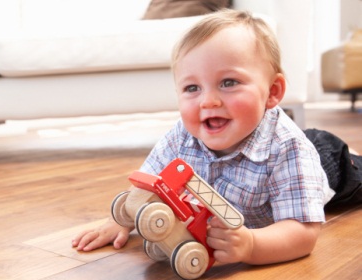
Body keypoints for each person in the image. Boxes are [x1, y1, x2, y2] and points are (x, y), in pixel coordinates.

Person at [72, 9, 362, 265]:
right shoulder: (182, 134)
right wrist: (121, 218)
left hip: (328, 160)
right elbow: (149, 184)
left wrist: (252, 245)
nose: (207, 101)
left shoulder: (291, 150)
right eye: (192, 88)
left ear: (272, 92)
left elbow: (303, 234)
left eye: (228, 83)